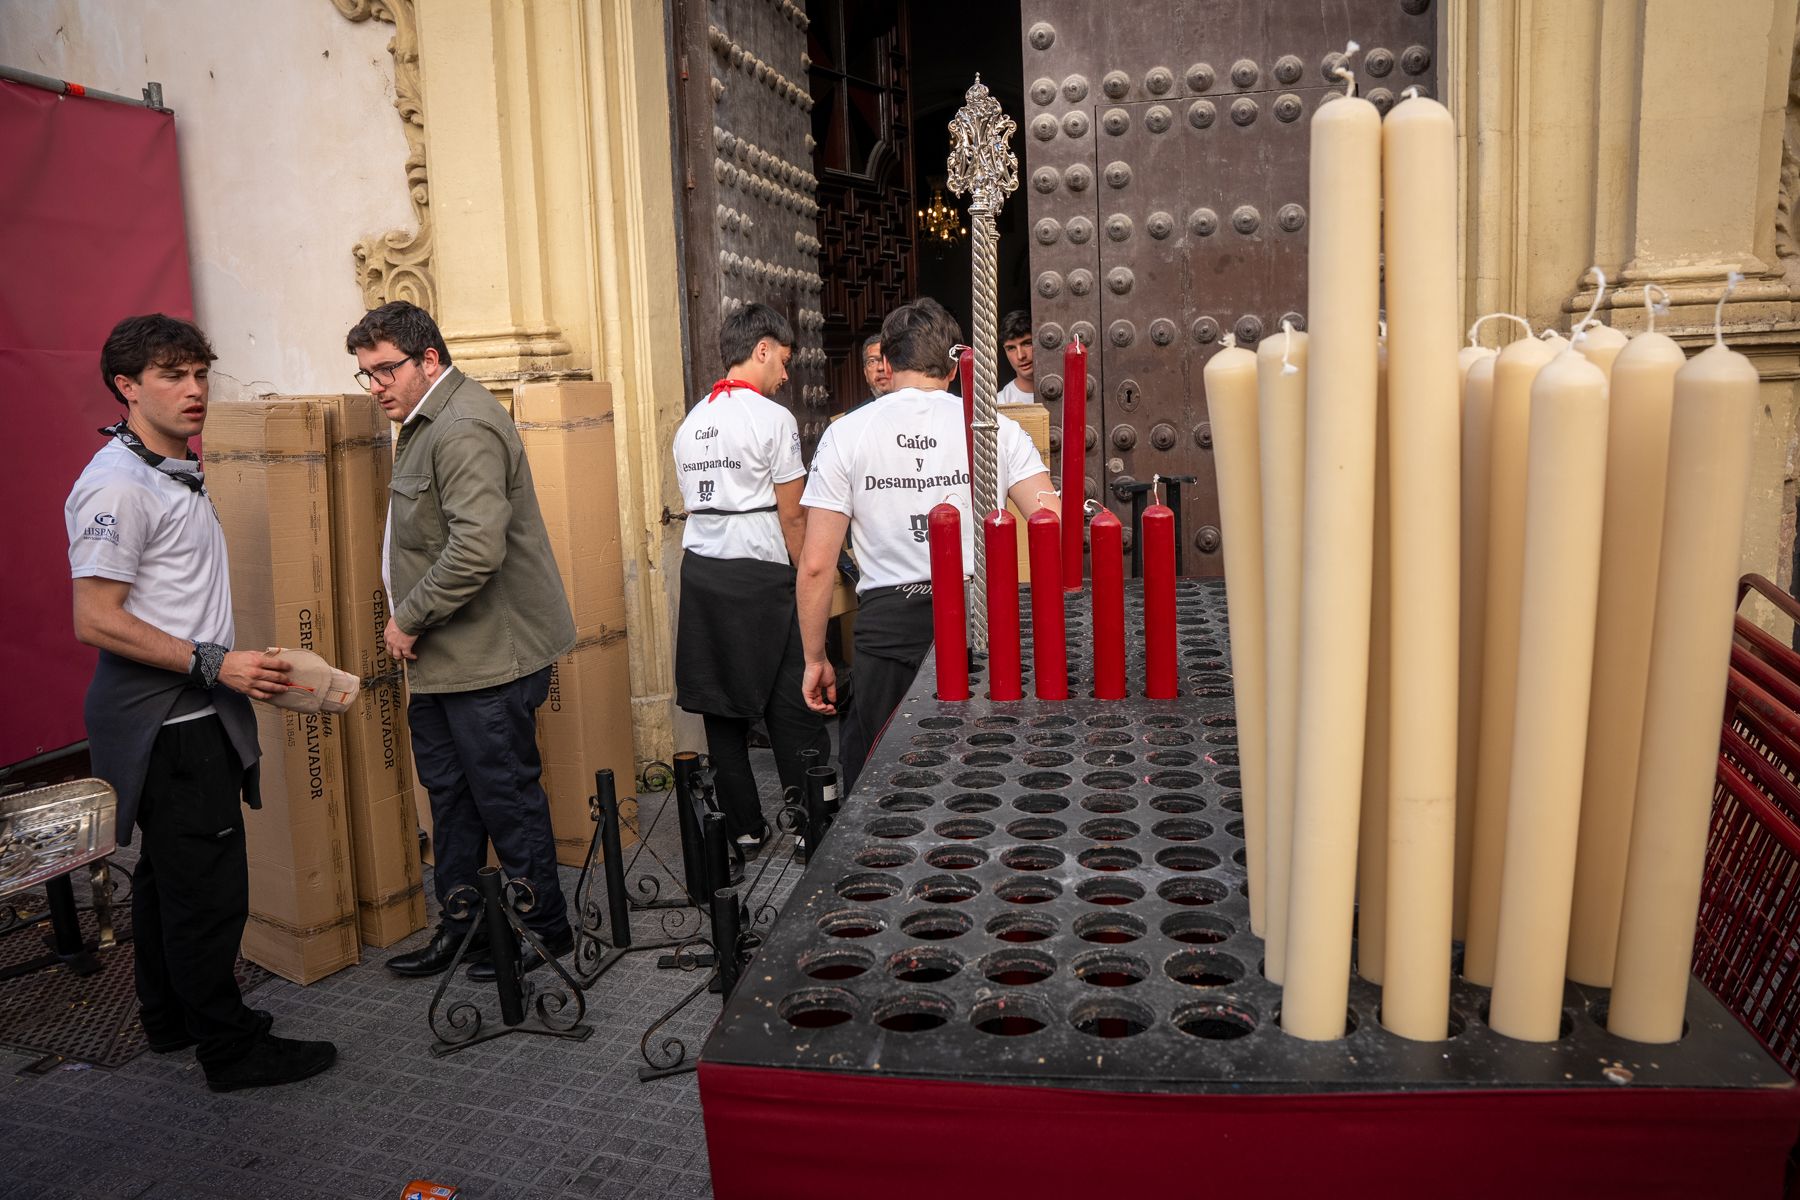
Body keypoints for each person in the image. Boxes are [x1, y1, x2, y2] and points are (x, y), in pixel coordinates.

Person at [67, 313, 336, 1092]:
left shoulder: (169, 469)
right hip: (171, 720)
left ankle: (171, 1020)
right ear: (127, 387)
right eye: (171, 375)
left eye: (199, 373)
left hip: (190, 708)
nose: (194, 390)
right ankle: (231, 1049)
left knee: (167, 880)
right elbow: (95, 619)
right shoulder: (119, 485)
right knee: (209, 894)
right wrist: (216, 662)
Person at [346, 301, 577, 981]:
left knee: (504, 796)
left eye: (386, 370)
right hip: (448, 660)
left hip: (487, 658)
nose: (376, 386)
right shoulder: (425, 420)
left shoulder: (463, 425)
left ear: (429, 360)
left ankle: (544, 930)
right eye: (366, 374)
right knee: (451, 798)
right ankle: (467, 926)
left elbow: (477, 549)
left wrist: (409, 617)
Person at [797, 298, 1059, 791]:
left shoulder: (846, 434)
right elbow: (1052, 522)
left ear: (887, 362)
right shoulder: (996, 430)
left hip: (889, 633)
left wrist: (815, 658)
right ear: (954, 366)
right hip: (983, 628)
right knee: (981, 777)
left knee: (888, 784)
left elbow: (815, 564)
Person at [672, 303, 831, 848]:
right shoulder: (773, 419)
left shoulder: (691, 421)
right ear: (762, 349)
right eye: (783, 360)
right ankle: (810, 822)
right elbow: (793, 515)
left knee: (721, 707)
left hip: (701, 573)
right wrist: (809, 577)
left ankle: (744, 829)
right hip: (761, 572)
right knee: (791, 700)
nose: (785, 375)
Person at [997, 309, 1036, 406]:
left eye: (1027, 343)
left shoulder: (1068, 391)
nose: (1021, 356)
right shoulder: (1000, 403)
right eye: (1011, 348)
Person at [859, 332, 892, 404]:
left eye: (887, 359)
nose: (881, 367)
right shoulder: (859, 411)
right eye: (872, 361)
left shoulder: (916, 407)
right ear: (865, 373)